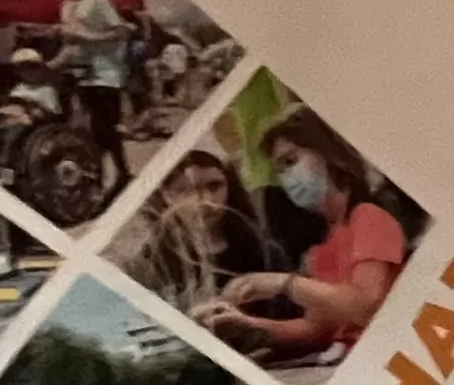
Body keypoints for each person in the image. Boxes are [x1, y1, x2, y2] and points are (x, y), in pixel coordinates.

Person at [205, 111, 407, 365]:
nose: (286, 179)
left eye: (291, 161)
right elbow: (317, 330)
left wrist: (282, 284)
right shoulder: (323, 248)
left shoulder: (370, 217)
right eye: (280, 170)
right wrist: (247, 326)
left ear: (328, 154)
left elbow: (364, 307)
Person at [129, 147, 283, 313]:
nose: (206, 200)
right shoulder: (152, 262)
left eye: (214, 186)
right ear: (167, 196)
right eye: (187, 190)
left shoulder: (262, 250)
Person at [56, 0, 137, 150]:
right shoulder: (66, 5)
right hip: (80, 71)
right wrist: (54, 63)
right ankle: (102, 171)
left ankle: (121, 171)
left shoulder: (97, 0)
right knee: (87, 127)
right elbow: (71, 40)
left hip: (104, 72)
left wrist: (90, 39)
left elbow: (121, 32)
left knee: (105, 126)